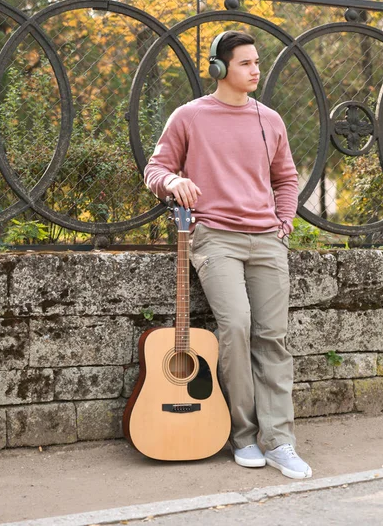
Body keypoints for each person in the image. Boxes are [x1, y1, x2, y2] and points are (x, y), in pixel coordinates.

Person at [144, 30, 312, 479]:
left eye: (257, 62)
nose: (255, 70)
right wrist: (172, 182)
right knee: (236, 326)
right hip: (215, 237)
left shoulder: (270, 119)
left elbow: (287, 179)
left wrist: (284, 224)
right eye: (245, 63)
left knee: (272, 336)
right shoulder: (189, 117)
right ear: (219, 69)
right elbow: (155, 168)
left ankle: (279, 441)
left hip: (266, 240)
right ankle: (243, 434)